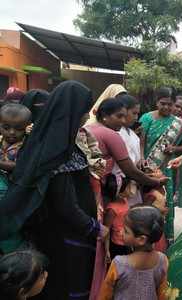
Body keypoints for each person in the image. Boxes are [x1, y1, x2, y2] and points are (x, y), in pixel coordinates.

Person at [0, 81, 109, 300]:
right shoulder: (58, 150)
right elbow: (64, 204)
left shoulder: (55, 141)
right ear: (70, 112)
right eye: (84, 112)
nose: (87, 117)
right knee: (67, 286)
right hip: (67, 236)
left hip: (61, 232)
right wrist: (94, 228)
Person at [81, 97, 167, 300]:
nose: (123, 119)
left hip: (95, 191)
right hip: (103, 194)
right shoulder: (110, 134)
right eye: (118, 116)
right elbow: (129, 169)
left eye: (125, 115)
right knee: (107, 235)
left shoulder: (90, 130)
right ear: (103, 115)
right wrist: (155, 182)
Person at [139, 87, 182, 241]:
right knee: (147, 200)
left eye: (170, 104)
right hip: (148, 168)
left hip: (167, 169)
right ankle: (145, 235)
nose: (166, 107)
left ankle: (166, 239)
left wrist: (174, 148)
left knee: (165, 202)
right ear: (157, 102)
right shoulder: (147, 118)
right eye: (163, 103)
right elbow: (141, 141)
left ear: (174, 104)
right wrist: (142, 158)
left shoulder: (180, 124)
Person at [99, 205, 169, 300]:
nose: (120, 231)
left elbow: (105, 295)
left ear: (141, 239)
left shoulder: (118, 263)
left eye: (126, 231)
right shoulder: (162, 260)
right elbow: (163, 294)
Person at [0, 103, 32, 254]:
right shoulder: (1, 141)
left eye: (18, 129)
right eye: (6, 128)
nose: (12, 133)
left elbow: (20, 167)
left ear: (27, 127)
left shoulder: (27, 144)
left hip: (15, 194)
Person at [113, 94, 143, 207]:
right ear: (124, 111)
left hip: (133, 181)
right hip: (122, 183)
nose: (136, 117)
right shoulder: (117, 133)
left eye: (138, 114)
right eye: (134, 113)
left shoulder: (131, 133)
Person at [104, 174, 130, 261]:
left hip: (128, 240)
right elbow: (106, 229)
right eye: (127, 187)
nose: (130, 189)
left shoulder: (124, 200)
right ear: (120, 192)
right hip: (118, 244)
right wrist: (107, 250)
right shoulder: (112, 209)